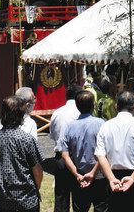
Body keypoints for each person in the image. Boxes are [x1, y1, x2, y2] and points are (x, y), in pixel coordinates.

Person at [95, 91, 134, 212]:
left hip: (113, 178)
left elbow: (100, 155)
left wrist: (111, 178)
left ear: (116, 106)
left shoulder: (106, 126)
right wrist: (132, 178)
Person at [0, 96, 43, 212]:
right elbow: (37, 169)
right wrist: (36, 187)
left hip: (4, 199)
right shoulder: (26, 139)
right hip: (27, 199)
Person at [59, 90, 108, 212]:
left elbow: (65, 155)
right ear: (93, 105)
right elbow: (105, 152)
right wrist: (93, 172)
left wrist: (77, 174)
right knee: (101, 207)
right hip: (99, 175)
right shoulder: (101, 124)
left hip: (79, 176)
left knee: (80, 208)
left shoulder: (68, 126)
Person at [49, 84, 82, 212]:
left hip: (61, 157)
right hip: (77, 156)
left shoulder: (57, 112)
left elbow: (52, 135)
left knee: (61, 196)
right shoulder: (81, 112)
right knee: (79, 196)